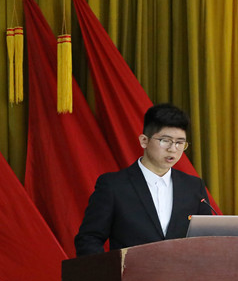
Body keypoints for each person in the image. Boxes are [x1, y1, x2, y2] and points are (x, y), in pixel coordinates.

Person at [75, 103, 212, 257]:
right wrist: (110, 270)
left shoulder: (193, 187)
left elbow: (208, 238)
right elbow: (89, 239)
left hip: (182, 272)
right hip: (130, 272)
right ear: (144, 141)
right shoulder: (114, 186)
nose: (173, 149)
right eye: (165, 140)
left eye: (180, 143)